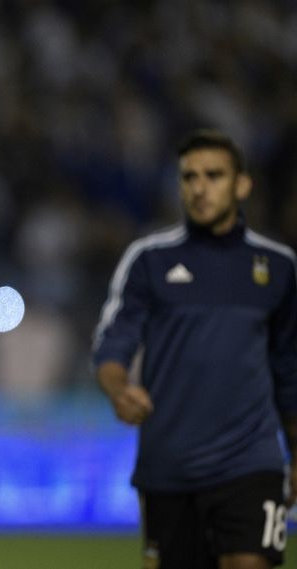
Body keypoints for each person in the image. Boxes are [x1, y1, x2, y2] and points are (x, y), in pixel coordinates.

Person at [92, 129, 297, 569]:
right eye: (189, 177)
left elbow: (289, 370)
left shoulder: (278, 268)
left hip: (251, 462)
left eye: (214, 175)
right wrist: (119, 389)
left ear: (242, 185)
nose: (200, 188)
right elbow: (112, 345)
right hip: (169, 467)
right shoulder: (149, 259)